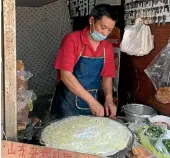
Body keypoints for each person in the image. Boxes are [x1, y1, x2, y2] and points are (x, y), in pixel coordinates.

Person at [50, 4, 118, 119]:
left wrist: (109, 98)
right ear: (92, 20)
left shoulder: (107, 47)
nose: (105, 33)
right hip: (67, 103)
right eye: (103, 27)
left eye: (110, 30)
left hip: (92, 104)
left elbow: (107, 76)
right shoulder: (72, 40)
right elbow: (66, 75)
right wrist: (91, 101)